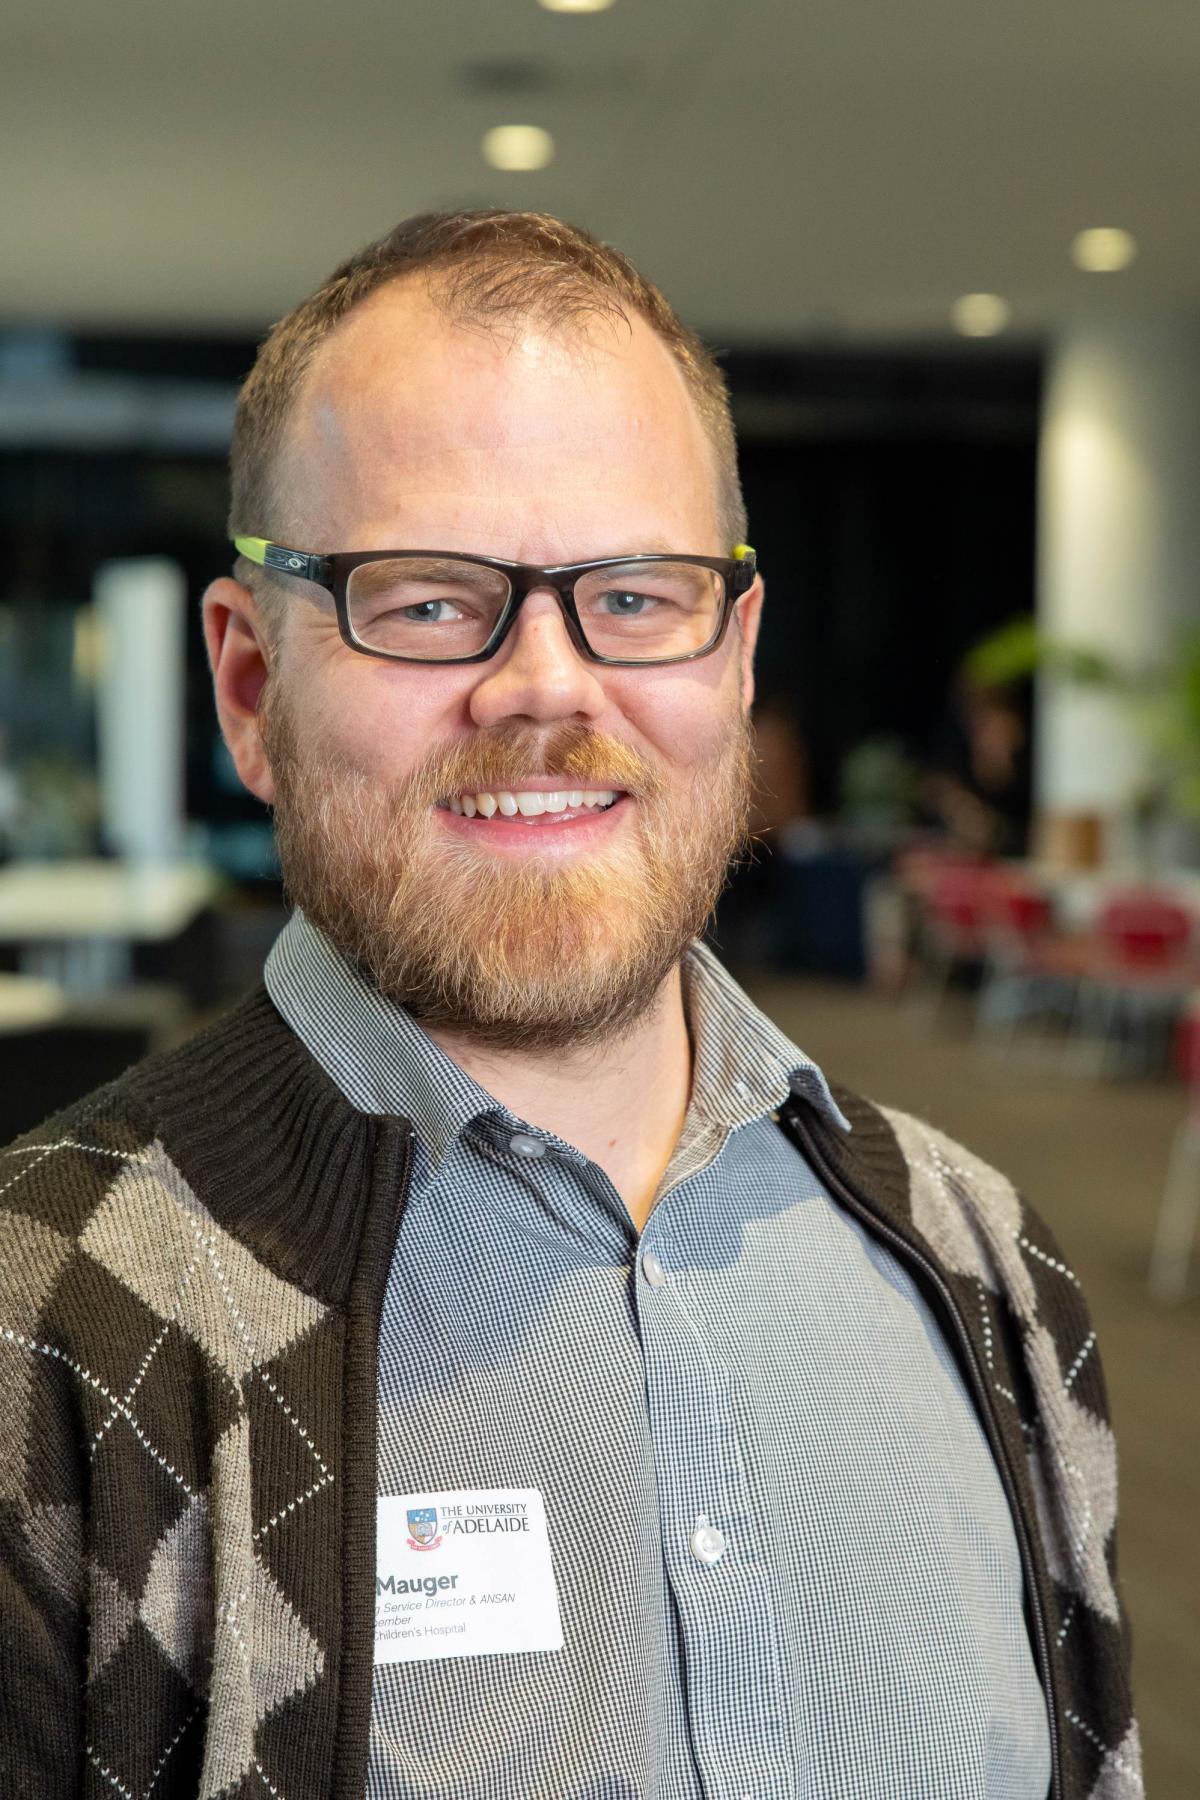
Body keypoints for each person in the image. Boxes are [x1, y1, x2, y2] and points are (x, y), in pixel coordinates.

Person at [1, 212, 1138, 1799]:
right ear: (251, 684)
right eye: (424, 599)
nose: (546, 685)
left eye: (638, 594)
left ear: (735, 657)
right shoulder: (37, 1334)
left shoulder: (980, 1263)